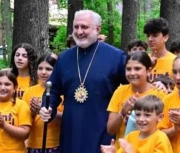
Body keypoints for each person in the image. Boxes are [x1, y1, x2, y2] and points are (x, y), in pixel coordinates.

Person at [39, 10, 128, 153]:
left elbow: (132, 86)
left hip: (102, 130)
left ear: (97, 29)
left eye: (84, 27)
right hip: (71, 131)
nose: (79, 32)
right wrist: (47, 107)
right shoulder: (64, 58)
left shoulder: (116, 57)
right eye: (76, 27)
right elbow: (53, 89)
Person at [106, 51, 166, 149]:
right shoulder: (120, 91)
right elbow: (110, 130)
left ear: (148, 71)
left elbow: (163, 131)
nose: (132, 73)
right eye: (128, 69)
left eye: (137, 69)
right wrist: (123, 112)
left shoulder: (160, 94)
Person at [101, 95, 173, 153]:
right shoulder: (131, 136)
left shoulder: (160, 138)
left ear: (160, 117)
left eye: (147, 115)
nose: (141, 119)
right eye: (138, 114)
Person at [23, 53, 63, 152]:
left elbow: (66, 118)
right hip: (34, 143)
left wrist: (46, 110)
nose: (43, 72)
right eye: (40, 68)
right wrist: (33, 112)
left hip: (56, 143)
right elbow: (24, 119)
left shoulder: (62, 92)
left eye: (48, 69)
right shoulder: (29, 91)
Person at [0, 70, 32, 153]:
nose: (2, 87)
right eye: (0, 84)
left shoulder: (21, 105)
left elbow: (25, 134)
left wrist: (4, 125)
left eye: (7, 84)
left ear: (15, 88)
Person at [143, 18, 176, 82]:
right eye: (148, 35)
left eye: (155, 35)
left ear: (165, 37)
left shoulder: (175, 61)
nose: (150, 39)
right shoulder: (143, 60)